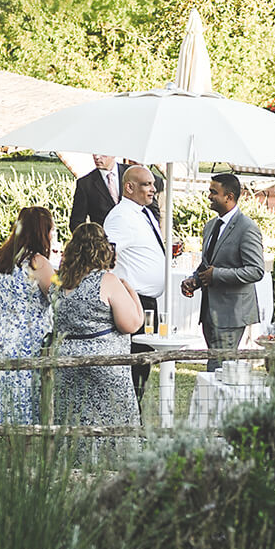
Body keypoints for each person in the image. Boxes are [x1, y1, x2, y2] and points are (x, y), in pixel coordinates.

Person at [54, 222, 143, 428]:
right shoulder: (107, 280)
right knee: (111, 422)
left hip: (67, 365)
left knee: (73, 423)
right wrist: (132, 294)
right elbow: (129, 325)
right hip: (104, 365)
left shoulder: (59, 281)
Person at [181, 174, 265, 370]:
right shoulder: (210, 226)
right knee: (217, 364)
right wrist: (195, 280)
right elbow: (207, 265)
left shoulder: (247, 228)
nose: (209, 196)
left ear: (229, 197)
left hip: (231, 313)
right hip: (209, 311)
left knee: (220, 368)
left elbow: (256, 270)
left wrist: (217, 275)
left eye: (213, 192)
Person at [0, 207, 55, 423]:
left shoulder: (2, 258)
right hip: (28, 341)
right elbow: (59, 295)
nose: (53, 235)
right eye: (51, 230)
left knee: (6, 406)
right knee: (25, 404)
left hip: (2, 337)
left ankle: (8, 452)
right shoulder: (38, 263)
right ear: (41, 231)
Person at [102, 164, 166, 399]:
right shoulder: (120, 216)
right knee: (134, 364)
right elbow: (105, 255)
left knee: (143, 363)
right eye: (146, 184)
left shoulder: (145, 212)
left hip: (148, 302)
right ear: (129, 187)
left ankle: (135, 416)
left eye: (153, 184)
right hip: (133, 301)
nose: (152, 189)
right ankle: (128, 418)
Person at [69, 154, 126, 230]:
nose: (97, 157)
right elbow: (76, 222)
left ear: (113, 154)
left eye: (102, 153)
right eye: (94, 153)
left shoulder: (133, 173)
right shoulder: (85, 184)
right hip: (103, 239)